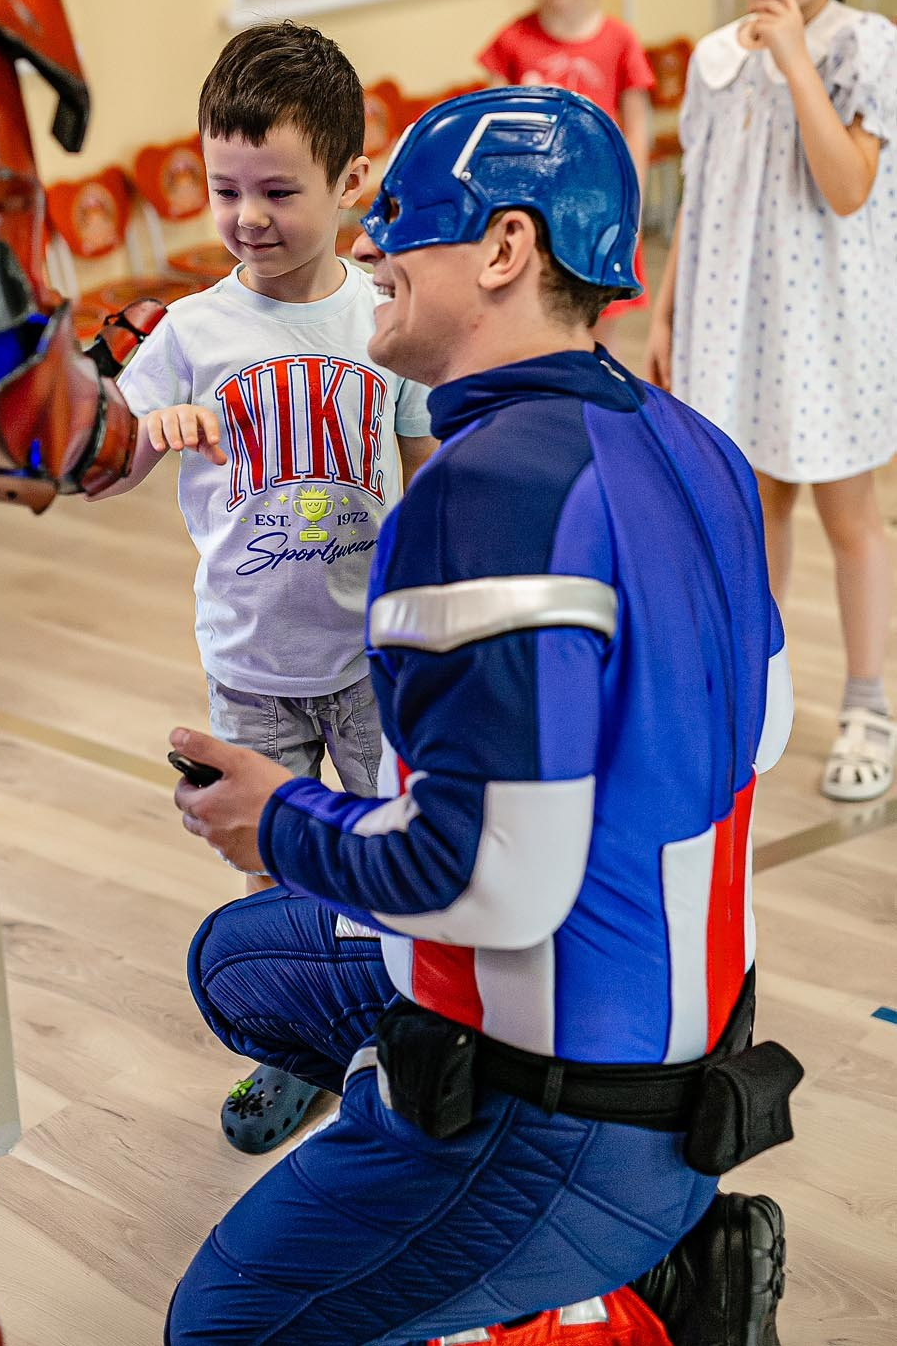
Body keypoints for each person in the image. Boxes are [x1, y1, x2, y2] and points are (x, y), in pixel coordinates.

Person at [163, 87, 798, 1346]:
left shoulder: (480, 495)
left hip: (567, 1117)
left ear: (504, 247)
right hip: (684, 1044)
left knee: (219, 1328)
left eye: (396, 217)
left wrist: (271, 815)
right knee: (240, 962)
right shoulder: (695, 443)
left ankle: (598, 1291)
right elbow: (762, 727)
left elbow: (484, 880)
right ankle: (571, 1247)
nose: (363, 248)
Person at [105, 21, 435, 1151]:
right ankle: (290, 1046)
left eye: (277, 191)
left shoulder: (382, 315)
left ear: (350, 180)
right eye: (223, 187)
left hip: (369, 658)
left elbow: (428, 473)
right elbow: (99, 469)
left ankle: (405, 1028)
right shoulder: (190, 332)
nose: (247, 217)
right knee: (271, 862)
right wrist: (149, 431)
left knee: (393, 844)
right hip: (249, 663)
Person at [647, 0, 897, 804]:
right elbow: (698, 201)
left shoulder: (867, 47)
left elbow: (844, 187)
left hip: (828, 330)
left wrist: (796, 60)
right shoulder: (711, 60)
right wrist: (664, 311)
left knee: (849, 516)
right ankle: (756, 688)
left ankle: (868, 701)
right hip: (730, 328)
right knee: (752, 512)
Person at [477, 0, 655, 340]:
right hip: (537, 211)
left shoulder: (619, 40)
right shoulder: (512, 42)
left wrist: (630, 201)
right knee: (538, 319)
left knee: (598, 327)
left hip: (601, 209)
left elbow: (638, 128)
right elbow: (492, 128)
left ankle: (600, 406)